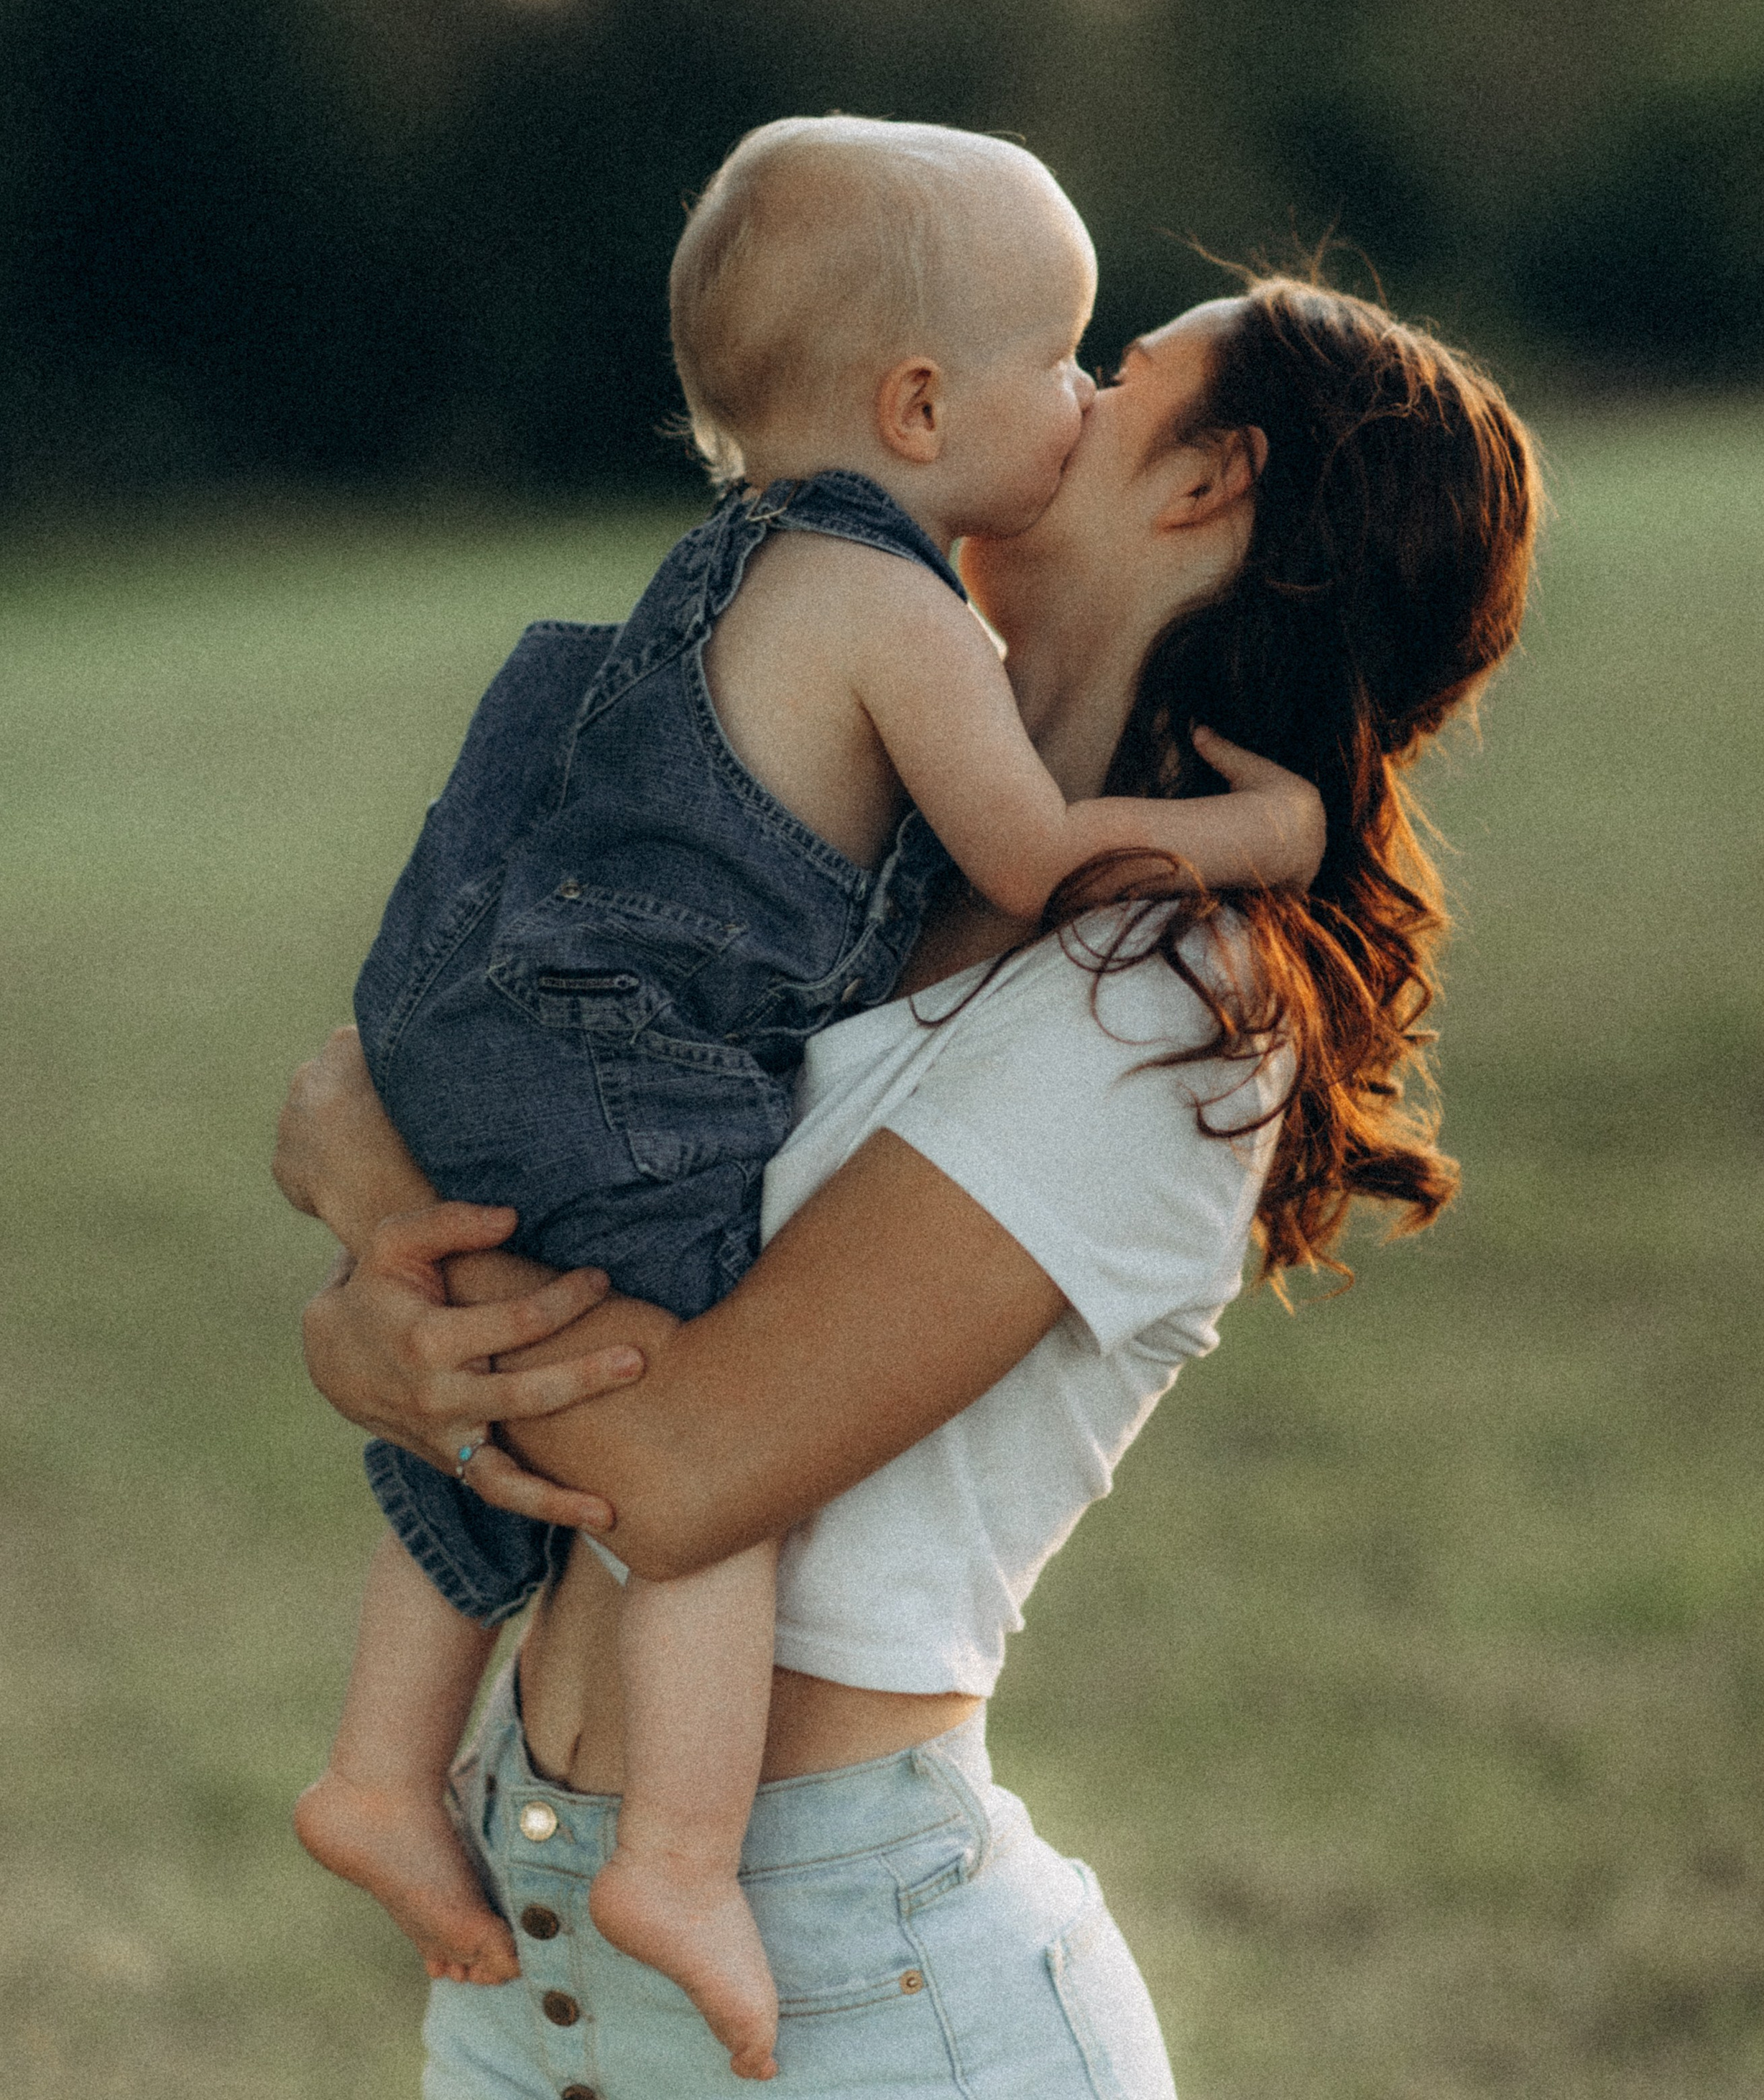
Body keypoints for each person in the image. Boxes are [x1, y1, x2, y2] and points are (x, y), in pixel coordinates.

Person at [284, 273, 1542, 2100]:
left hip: (858, 1996)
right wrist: (383, 1278)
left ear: (1211, 483)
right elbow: (533, 1154)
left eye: (1113, 379)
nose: (1058, 402)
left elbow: (680, 1463)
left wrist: (369, 1197)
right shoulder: (859, 863)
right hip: (526, 1956)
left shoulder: (1165, 1004)